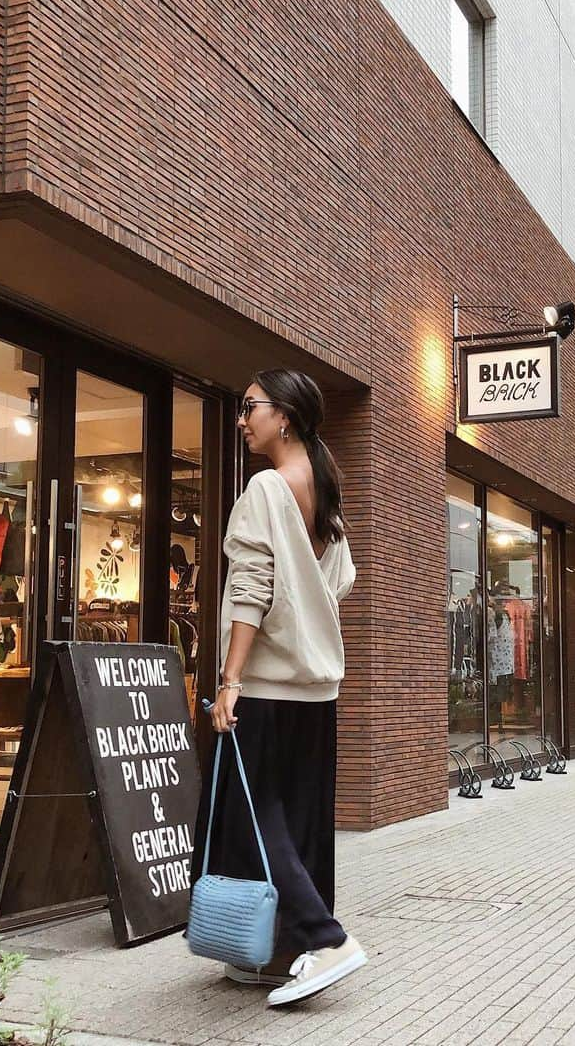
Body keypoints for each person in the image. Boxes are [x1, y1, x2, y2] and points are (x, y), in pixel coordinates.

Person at [193, 368, 367, 1007]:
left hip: (266, 686)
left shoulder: (267, 486)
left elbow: (251, 590)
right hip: (316, 691)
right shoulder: (323, 491)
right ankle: (285, 952)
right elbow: (339, 580)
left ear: (284, 416)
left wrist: (230, 679)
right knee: (301, 822)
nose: (242, 420)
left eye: (250, 408)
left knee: (251, 815)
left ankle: (328, 941)